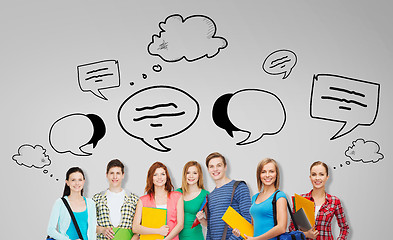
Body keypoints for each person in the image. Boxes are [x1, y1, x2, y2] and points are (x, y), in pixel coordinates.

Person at [289, 161, 349, 240]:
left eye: (321, 174)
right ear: (310, 177)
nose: (317, 178)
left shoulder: (335, 201)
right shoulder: (301, 199)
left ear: (327, 177)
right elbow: (292, 229)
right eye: (314, 174)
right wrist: (306, 234)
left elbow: (344, 228)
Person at [233, 158, 287, 240]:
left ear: (276, 174)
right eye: (263, 172)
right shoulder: (255, 197)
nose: (267, 175)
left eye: (271, 171)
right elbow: (253, 228)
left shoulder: (279, 196)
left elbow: (281, 228)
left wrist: (257, 239)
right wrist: (239, 231)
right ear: (259, 175)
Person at [204, 152, 252, 240]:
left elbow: (247, 219)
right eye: (211, 166)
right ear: (208, 170)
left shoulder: (239, 187)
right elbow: (210, 228)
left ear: (225, 167)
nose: (215, 169)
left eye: (219, 165)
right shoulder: (210, 196)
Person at [132, 162, 184, 240]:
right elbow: (135, 228)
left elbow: (180, 225)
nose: (159, 177)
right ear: (151, 178)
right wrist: (158, 231)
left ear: (167, 177)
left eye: (162, 174)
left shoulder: (177, 196)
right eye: (155, 175)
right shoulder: (143, 200)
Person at [92, 159, 139, 240]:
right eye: (111, 173)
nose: (115, 177)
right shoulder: (96, 199)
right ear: (106, 175)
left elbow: (138, 230)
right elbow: (89, 225)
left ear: (123, 175)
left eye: (118, 173)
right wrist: (102, 230)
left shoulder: (134, 200)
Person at [47, 167, 97, 240]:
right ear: (67, 182)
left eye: (80, 180)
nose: (77, 183)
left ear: (84, 181)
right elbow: (50, 230)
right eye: (73, 180)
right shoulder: (60, 203)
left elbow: (92, 231)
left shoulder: (91, 203)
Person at [175, 161, 209, 240]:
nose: (191, 176)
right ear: (184, 175)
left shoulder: (205, 195)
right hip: (176, 236)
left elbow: (208, 224)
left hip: (195, 236)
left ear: (199, 175)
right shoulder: (177, 193)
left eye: (195, 173)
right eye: (188, 173)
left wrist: (201, 219)